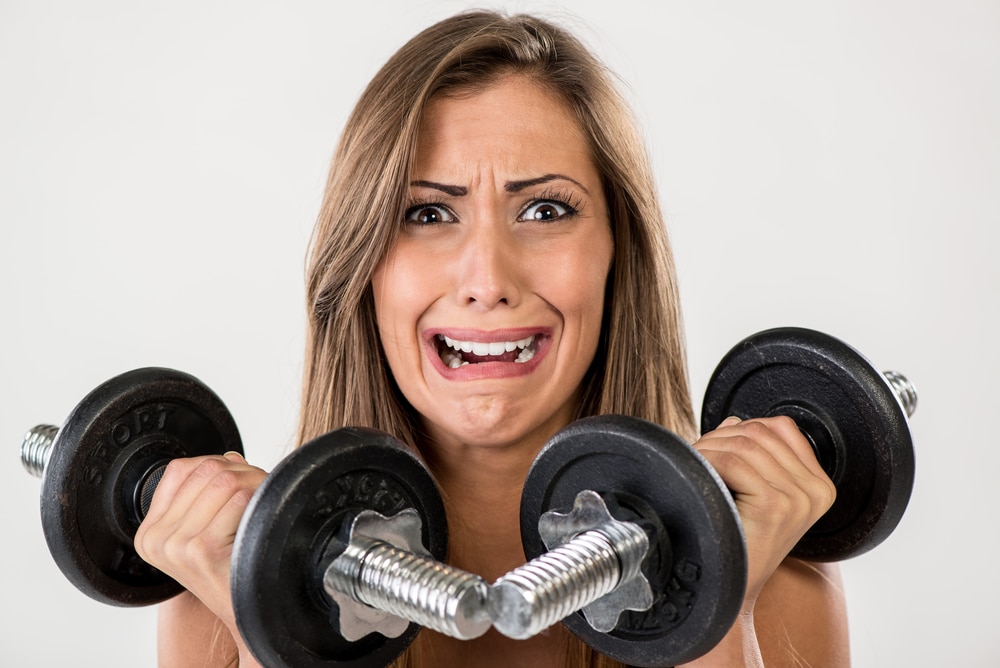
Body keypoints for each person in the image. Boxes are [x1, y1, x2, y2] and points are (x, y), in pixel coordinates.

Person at [135, 10, 847, 667]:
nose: (487, 279)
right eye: (428, 214)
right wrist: (273, 631)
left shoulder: (776, 583)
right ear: (363, 266)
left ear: (616, 255)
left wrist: (713, 607)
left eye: (543, 209)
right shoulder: (214, 594)